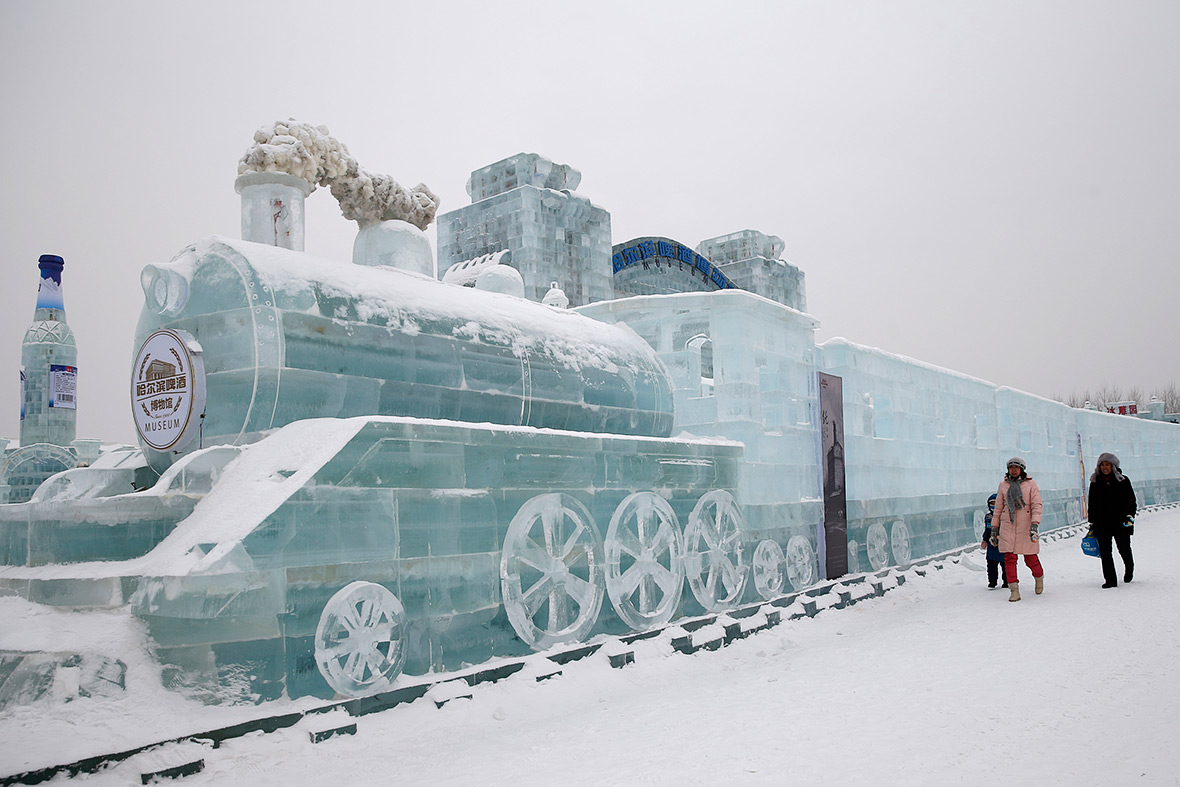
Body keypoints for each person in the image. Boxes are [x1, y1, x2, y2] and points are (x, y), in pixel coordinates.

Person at [990, 457, 1043, 602]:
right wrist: (994, 528)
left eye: (1016, 467)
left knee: (1030, 558)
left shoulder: (1031, 484)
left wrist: (1034, 523)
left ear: (1021, 469)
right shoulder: (1003, 485)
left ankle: (1039, 578)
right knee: (1009, 559)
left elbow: (1036, 505)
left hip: (1026, 526)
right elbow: (999, 508)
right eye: (1011, 467)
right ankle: (1014, 590)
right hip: (1008, 525)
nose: (1013, 470)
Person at [1087, 452, 1137, 588]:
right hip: (1101, 523)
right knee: (1105, 552)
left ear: (1113, 466)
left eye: (1107, 464)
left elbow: (1131, 501)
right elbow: (1092, 503)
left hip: (1121, 522)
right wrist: (1091, 520)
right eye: (1102, 464)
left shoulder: (1123, 480)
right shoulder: (1095, 482)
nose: (1104, 467)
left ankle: (1129, 568)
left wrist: (1130, 517)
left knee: (1124, 548)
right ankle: (1110, 580)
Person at [979, 493, 1008, 589]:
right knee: (991, 564)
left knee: (1006, 564)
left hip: (1004, 545)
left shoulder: (1005, 517)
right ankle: (992, 581)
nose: (994, 505)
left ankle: (1007, 581)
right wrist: (985, 540)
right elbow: (987, 530)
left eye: (996, 503)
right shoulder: (988, 517)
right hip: (992, 545)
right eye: (991, 503)